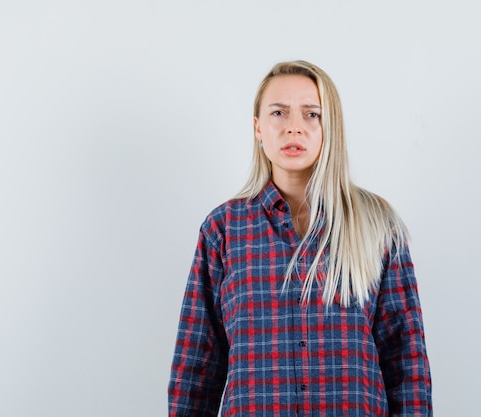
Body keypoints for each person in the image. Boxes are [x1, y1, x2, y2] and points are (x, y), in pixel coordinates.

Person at [168, 60, 432, 416]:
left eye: (311, 114)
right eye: (279, 112)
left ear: (330, 127)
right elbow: (196, 369)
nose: (294, 128)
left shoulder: (378, 226)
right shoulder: (224, 230)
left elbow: (406, 362)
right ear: (258, 127)